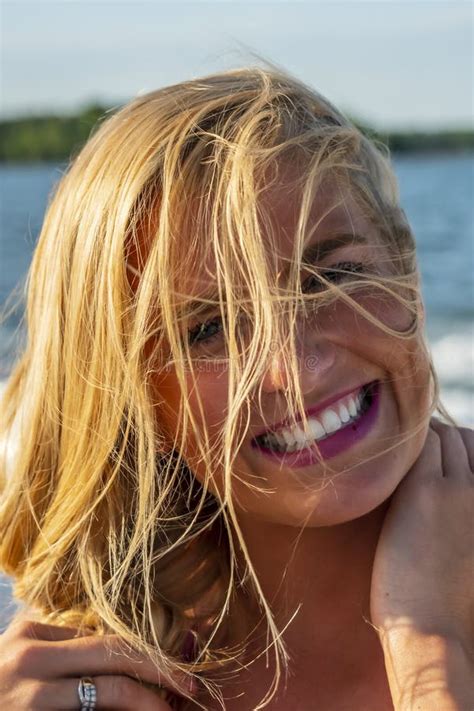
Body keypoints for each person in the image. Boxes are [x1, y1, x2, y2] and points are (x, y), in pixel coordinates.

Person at [0, 66, 472, 711]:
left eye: (328, 278)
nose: (297, 369)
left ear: (405, 270)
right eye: (209, 329)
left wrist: (430, 644)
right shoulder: (84, 675)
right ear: (130, 397)